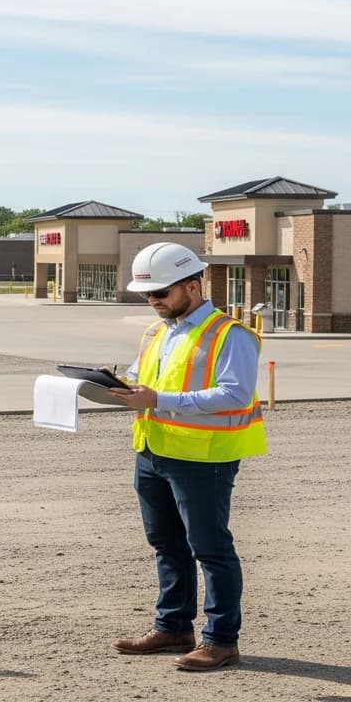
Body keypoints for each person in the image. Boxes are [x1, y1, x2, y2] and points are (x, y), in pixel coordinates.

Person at [107, 242, 267, 671]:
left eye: (160, 294)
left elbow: (233, 393)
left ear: (193, 287)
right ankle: (174, 626)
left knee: (210, 548)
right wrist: (113, 386)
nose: (152, 302)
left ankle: (221, 640)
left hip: (203, 457)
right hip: (153, 449)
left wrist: (158, 397)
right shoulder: (157, 332)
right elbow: (143, 382)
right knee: (166, 543)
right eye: (147, 296)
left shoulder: (231, 334)